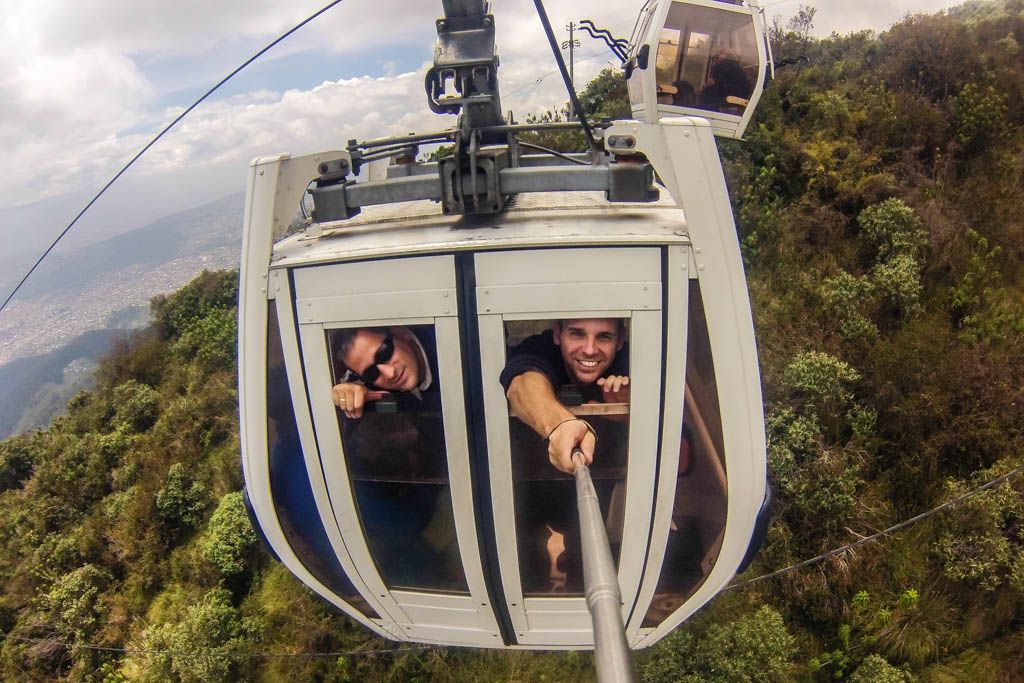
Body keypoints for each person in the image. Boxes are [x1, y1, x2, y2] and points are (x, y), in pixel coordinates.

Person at [499, 318, 630, 474]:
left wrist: (628, 411)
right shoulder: (541, 348)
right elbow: (522, 383)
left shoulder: (632, 360)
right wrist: (560, 425)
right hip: (532, 481)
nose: (590, 350)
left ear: (621, 339)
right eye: (577, 334)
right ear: (557, 334)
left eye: (604, 337)